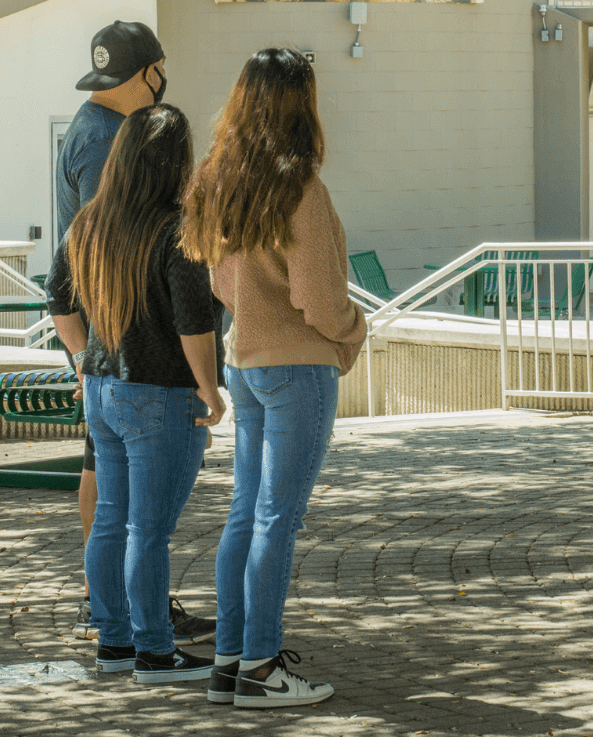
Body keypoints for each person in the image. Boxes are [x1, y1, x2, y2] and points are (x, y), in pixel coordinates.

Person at [181, 47, 366, 709]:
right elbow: (318, 296)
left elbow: (221, 283)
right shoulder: (301, 189)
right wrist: (353, 330)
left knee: (247, 514)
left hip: (247, 363)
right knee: (276, 520)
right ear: (300, 104)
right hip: (297, 368)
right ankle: (261, 669)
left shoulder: (219, 185)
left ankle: (230, 663)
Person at [47, 104, 228, 681]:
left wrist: (82, 363)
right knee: (148, 531)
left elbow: (57, 301)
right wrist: (212, 391)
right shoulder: (177, 230)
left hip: (102, 390)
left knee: (110, 523)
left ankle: (115, 644)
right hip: (160, 396)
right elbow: (193, 323)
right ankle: (155, 650)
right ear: (174, 162)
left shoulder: (89, 224)